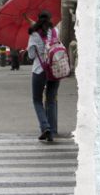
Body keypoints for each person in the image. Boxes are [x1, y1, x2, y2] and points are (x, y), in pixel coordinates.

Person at [27, 10, 60, 142]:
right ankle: (50, 132)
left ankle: (45, 127)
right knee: (51, 100)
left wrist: (32, 49)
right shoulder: (55, 31)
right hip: (55, 69)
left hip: (39, 70)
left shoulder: (34, 34)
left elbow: (31, 56)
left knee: (37, 100)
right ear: (50, 19)